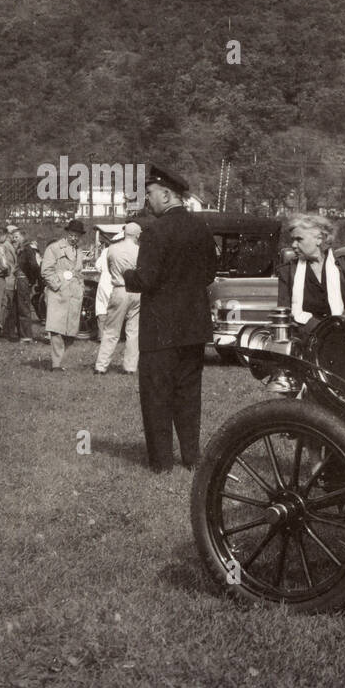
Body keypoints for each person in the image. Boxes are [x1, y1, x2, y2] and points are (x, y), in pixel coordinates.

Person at [122, 165, 218, 473]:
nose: (148, 200)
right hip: (192, 327)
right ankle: (191, 457)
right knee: (189, 394)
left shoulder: (155, 230)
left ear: (166, 194)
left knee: (157, 396)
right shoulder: (201, 228)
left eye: (150, 193)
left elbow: (146, 279)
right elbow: (209, 274)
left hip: (160, 329)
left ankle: (162, 463)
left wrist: (126, 275)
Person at [276, 213, 345, 335]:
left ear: (319, 239)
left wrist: (335, 327)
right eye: (292, 240)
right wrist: (319, 328)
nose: (293, 245)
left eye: (299, 239)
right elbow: (286, 312)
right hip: (305, 337)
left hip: (344, 335)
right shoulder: (287, 271)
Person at [39, 219, 89, 370]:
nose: (74, 237)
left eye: (78, 235)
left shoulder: (79, 251)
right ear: (67, 233)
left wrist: (80, 286)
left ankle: (59, 360)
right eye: (72, 234)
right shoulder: (54, 248)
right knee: (56, 328)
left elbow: (78, 272)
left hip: (74, 293)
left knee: (71, 330)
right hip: (58, 294)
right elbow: (46, 270)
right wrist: (57, 285)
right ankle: (56, 364)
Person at [94, 222, 142, 375]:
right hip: (137, 292)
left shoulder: (112, 249)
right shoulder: (141, 250)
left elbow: (108, 267)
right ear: (138, 235)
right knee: (133, 331)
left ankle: (101, 366)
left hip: (119, 289)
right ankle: (130, 367)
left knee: (111, 330)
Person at [10, 228, 43, 342]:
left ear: (23, 237)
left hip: (23, 280)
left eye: (16, 237)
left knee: (24, 308)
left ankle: (26, 336)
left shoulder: (28, 249)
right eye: (13, 237)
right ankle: (19, 334)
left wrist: (31, 280)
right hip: (18, 281)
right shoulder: (20, 250)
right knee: (17, 307)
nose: (14, 239)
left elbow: (34, 266)